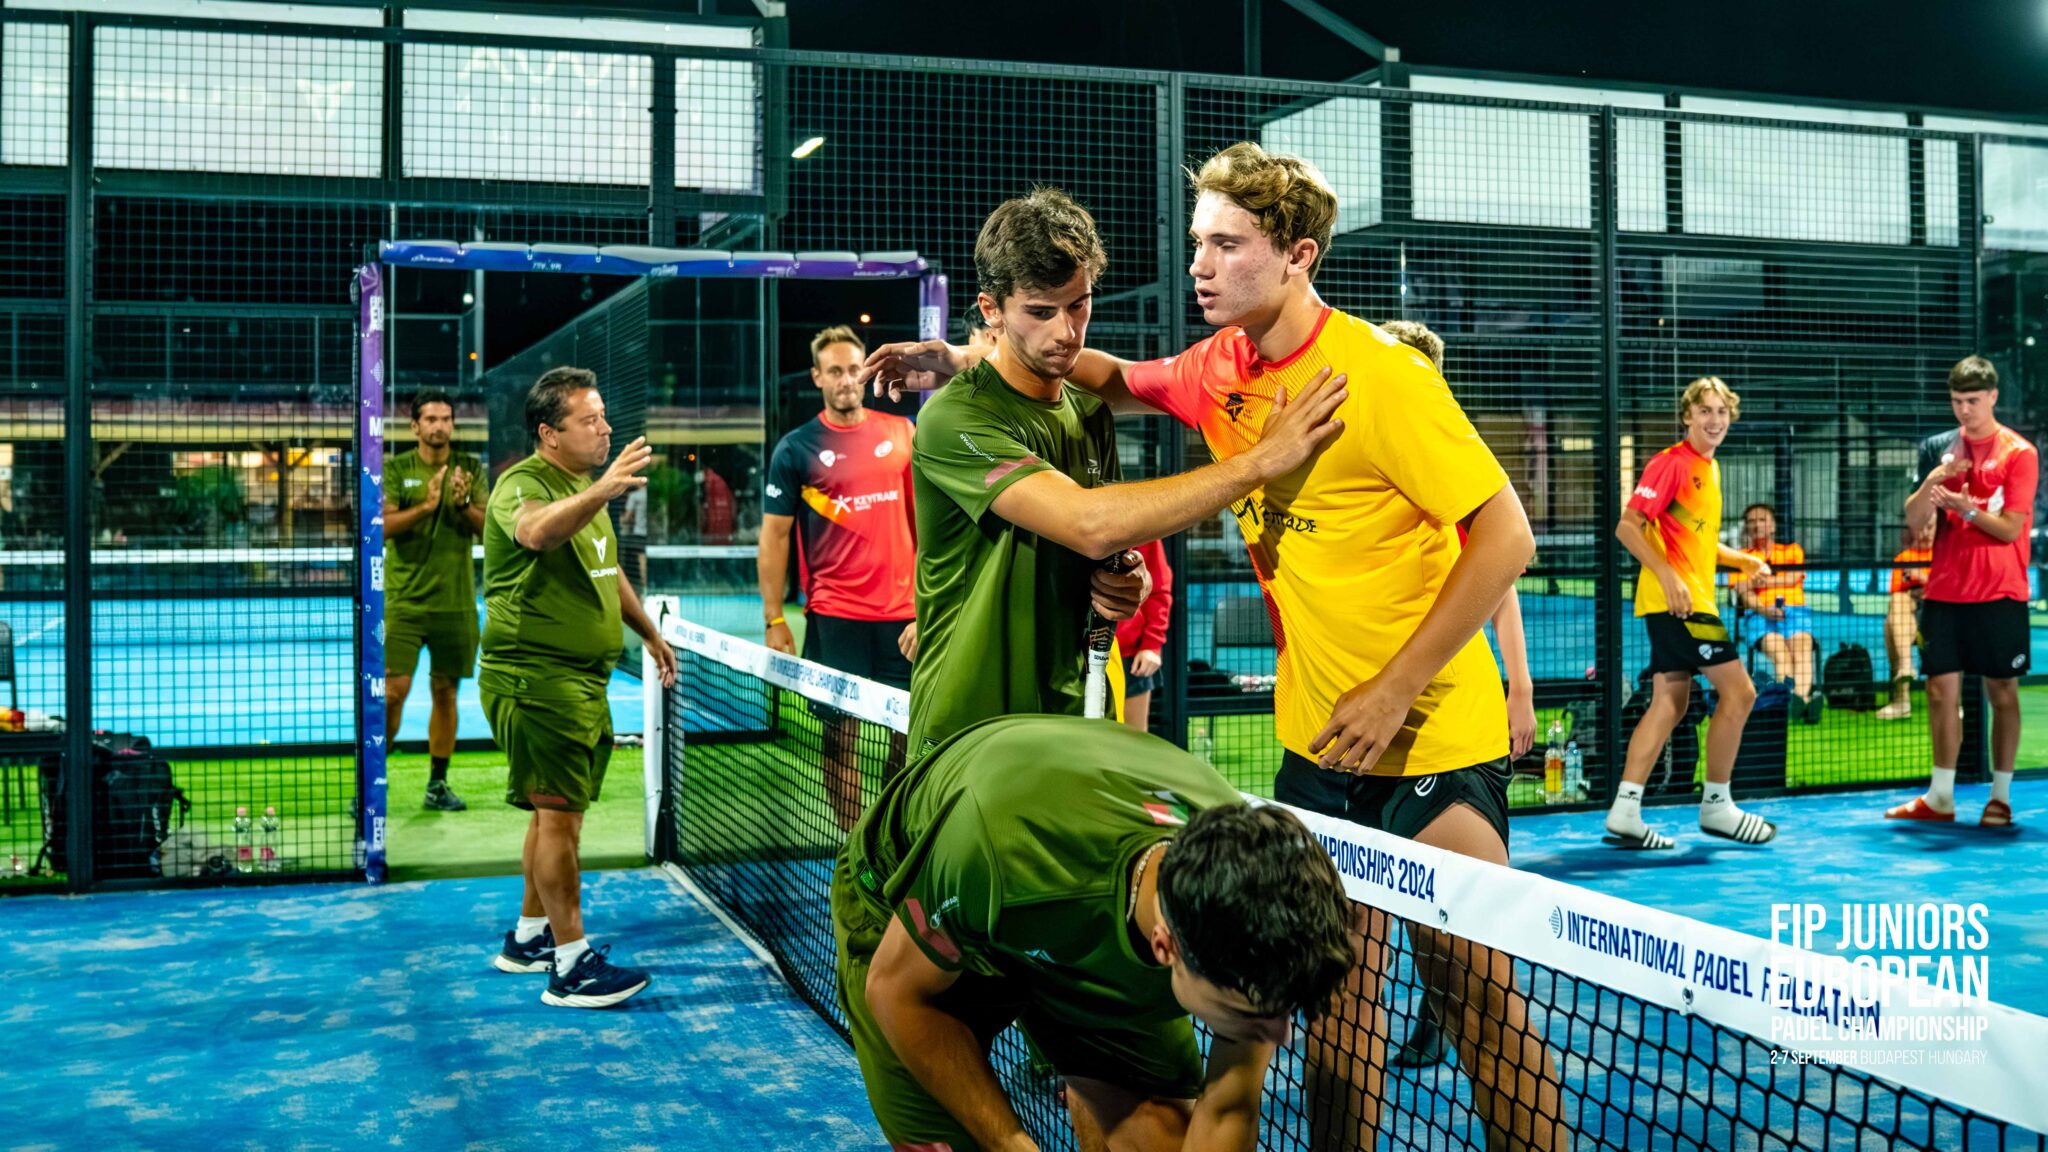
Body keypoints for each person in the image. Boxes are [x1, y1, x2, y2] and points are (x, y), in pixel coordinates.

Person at [862, 146, 1563, 1152]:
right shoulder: (1219, 368)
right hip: (1315, 746)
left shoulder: (1382, 376)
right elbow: (1105, 373)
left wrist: (1392, 686)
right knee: (1337, 1013)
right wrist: (967, 357)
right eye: (1197, 241)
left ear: (1297, 255)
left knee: (1477, 1001)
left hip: (1432, 737)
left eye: (1226, 244)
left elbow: (1507, 537)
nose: (1198, 264)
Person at [898, 185, 1346, 757]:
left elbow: (1102, 547)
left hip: (1077, 712)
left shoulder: (1089, 412)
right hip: (972, 726)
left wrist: (1125, 579)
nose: (1066, 332)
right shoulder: (953, 417)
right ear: (992, 310)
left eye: (1078, 305)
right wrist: (1262, 460)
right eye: (1040, 312)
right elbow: (1089, 523)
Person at [832, 713, 1354, 1152]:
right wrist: (1013, 1146)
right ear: (1166, 947)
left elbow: (1228, 1108)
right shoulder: (999, 848)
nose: (1276, 1034)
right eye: (1248, 1016)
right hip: (913, 904)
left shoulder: (1253, 919)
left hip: (1059, 909)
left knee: (1164, 1137)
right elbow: (897, 992)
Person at [481, 366, 679, 1008]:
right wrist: (606, 488)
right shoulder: (523, 483)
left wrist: (648, 633)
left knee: (553, 815)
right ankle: (571, 967)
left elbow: (606, 569)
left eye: (603, 416)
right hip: (537, 680)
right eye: (589, 420)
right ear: (549, 433)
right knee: (561, 822)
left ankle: (529, 937)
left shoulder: (580, 490)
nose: (605, 428)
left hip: (576, 681)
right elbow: (536, 532)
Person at [1376, 318, 1537, 1073]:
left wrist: (1519, 689)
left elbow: (1500, 588)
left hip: (1449, 717)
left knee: (1455, 913)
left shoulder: (1453, 462)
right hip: (1363, 729)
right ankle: (1431, 1012)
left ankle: (1440, 1013)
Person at [759, 325, 918, 830]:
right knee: (839, 737)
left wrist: (931, 602)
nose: (847, 380)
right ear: (817, 377)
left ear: (865, 371)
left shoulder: (903, 433)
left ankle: (887, 838)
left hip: (904, 617)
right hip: (834, 615)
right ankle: (851, 846)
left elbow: (928, 525)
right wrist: (773, 619)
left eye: (853, 369)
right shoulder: (795, 449)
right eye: (835, 371)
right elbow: (775, 537)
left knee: (908, 735)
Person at [1607, 377, 1776, 850]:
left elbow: (1696, 541)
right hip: (1679, 602)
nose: (1714, 420)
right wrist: (1667, 576)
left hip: (1683, 598)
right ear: (1687, 416)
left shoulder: (1710, 469)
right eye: (1705, 411)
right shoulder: (1671, 463)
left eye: (1721, 411)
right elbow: (1628, 527)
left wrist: (1741, 560)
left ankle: (1625, 810)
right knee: (1740, 692)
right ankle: (1717, 806)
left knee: (1670, 703)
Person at [1887, 356, 2036, 827]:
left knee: (2002, 692)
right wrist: (1933, 482)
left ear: (1993, 396)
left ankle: (2000, 797)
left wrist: (1965, 509)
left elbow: (2010, 529)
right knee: (1938, 691)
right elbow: (1913, 523)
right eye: (1956, 401)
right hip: (1945, 591)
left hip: (2000, 591)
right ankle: (1940, 797)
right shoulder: (1938, 448)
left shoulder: (2019, 453)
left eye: (1972, 400)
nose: (1964, 410)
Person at [382, 389, 486, 812]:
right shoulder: (396, 469)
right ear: (415, 426)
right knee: (392, 693)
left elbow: (488, 528)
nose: (439, 426)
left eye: (446, 419)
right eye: (431, 419)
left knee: (446, 693)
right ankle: (372, 782)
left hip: (455, 604)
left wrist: (462, 503)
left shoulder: (470, 469)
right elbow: (381, 527)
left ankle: (437, 785)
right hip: (404, 603)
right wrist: (427, 505)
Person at [1732, 503, 1823, 723]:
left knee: (1801, 649)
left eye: (1762, 520)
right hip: (1760, 615)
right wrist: (1765, 609)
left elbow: (1794, 578)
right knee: (1781, 653)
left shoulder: (1792, 551)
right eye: (1751, 521)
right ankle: (1794, 701)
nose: (1756, 525)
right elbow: (1744, 592)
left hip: (1796, 612)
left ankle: (1800, 700)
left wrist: (1760, 581)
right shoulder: (1741, 558)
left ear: (1773, 526)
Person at [1878, 521, 1936, 721]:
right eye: (1921, 527)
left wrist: (1922, 579)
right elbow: (1898, 593)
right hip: (1910, 620)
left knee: (1893, 620)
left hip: (1938, 617)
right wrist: (1926, 586)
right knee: (1895, 610)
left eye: (1930, 527)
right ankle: (1904, 676)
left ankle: (1954, 703)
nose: (1925, 533)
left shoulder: (1945, 555)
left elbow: (1951, 588)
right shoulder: (1904, 558)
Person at [1117, 538, 1173, 732]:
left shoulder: (1142, 531)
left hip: (1128, 656)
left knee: (1133, 740)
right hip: (1076, 653)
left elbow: (1159, 588)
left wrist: (1152, 645)